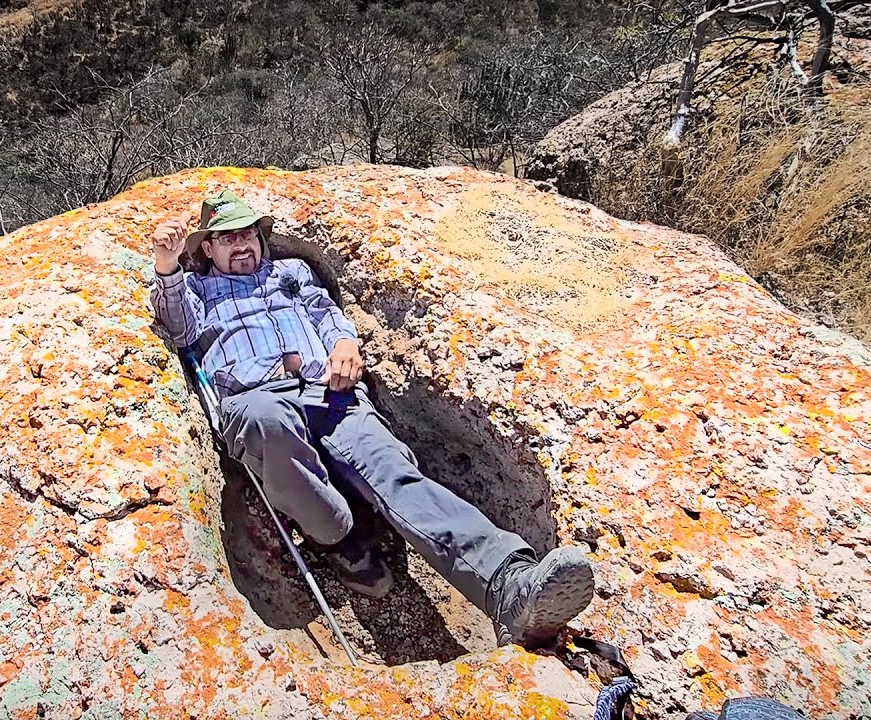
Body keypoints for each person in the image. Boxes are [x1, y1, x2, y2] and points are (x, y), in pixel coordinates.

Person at [149, 189, 595, 647]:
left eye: (247, 233)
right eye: (227, 238)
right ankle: (345, 540)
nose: (241, 244)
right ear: (207, 248)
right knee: (267, 423)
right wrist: (167, 265)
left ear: (261, 238)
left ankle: (508, 584)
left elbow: (328, 317)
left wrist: (345, 345)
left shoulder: (291, 274)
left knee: (393, 471)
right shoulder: (198, 290)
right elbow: (178, 326)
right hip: (258, 395)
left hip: (330, 391)